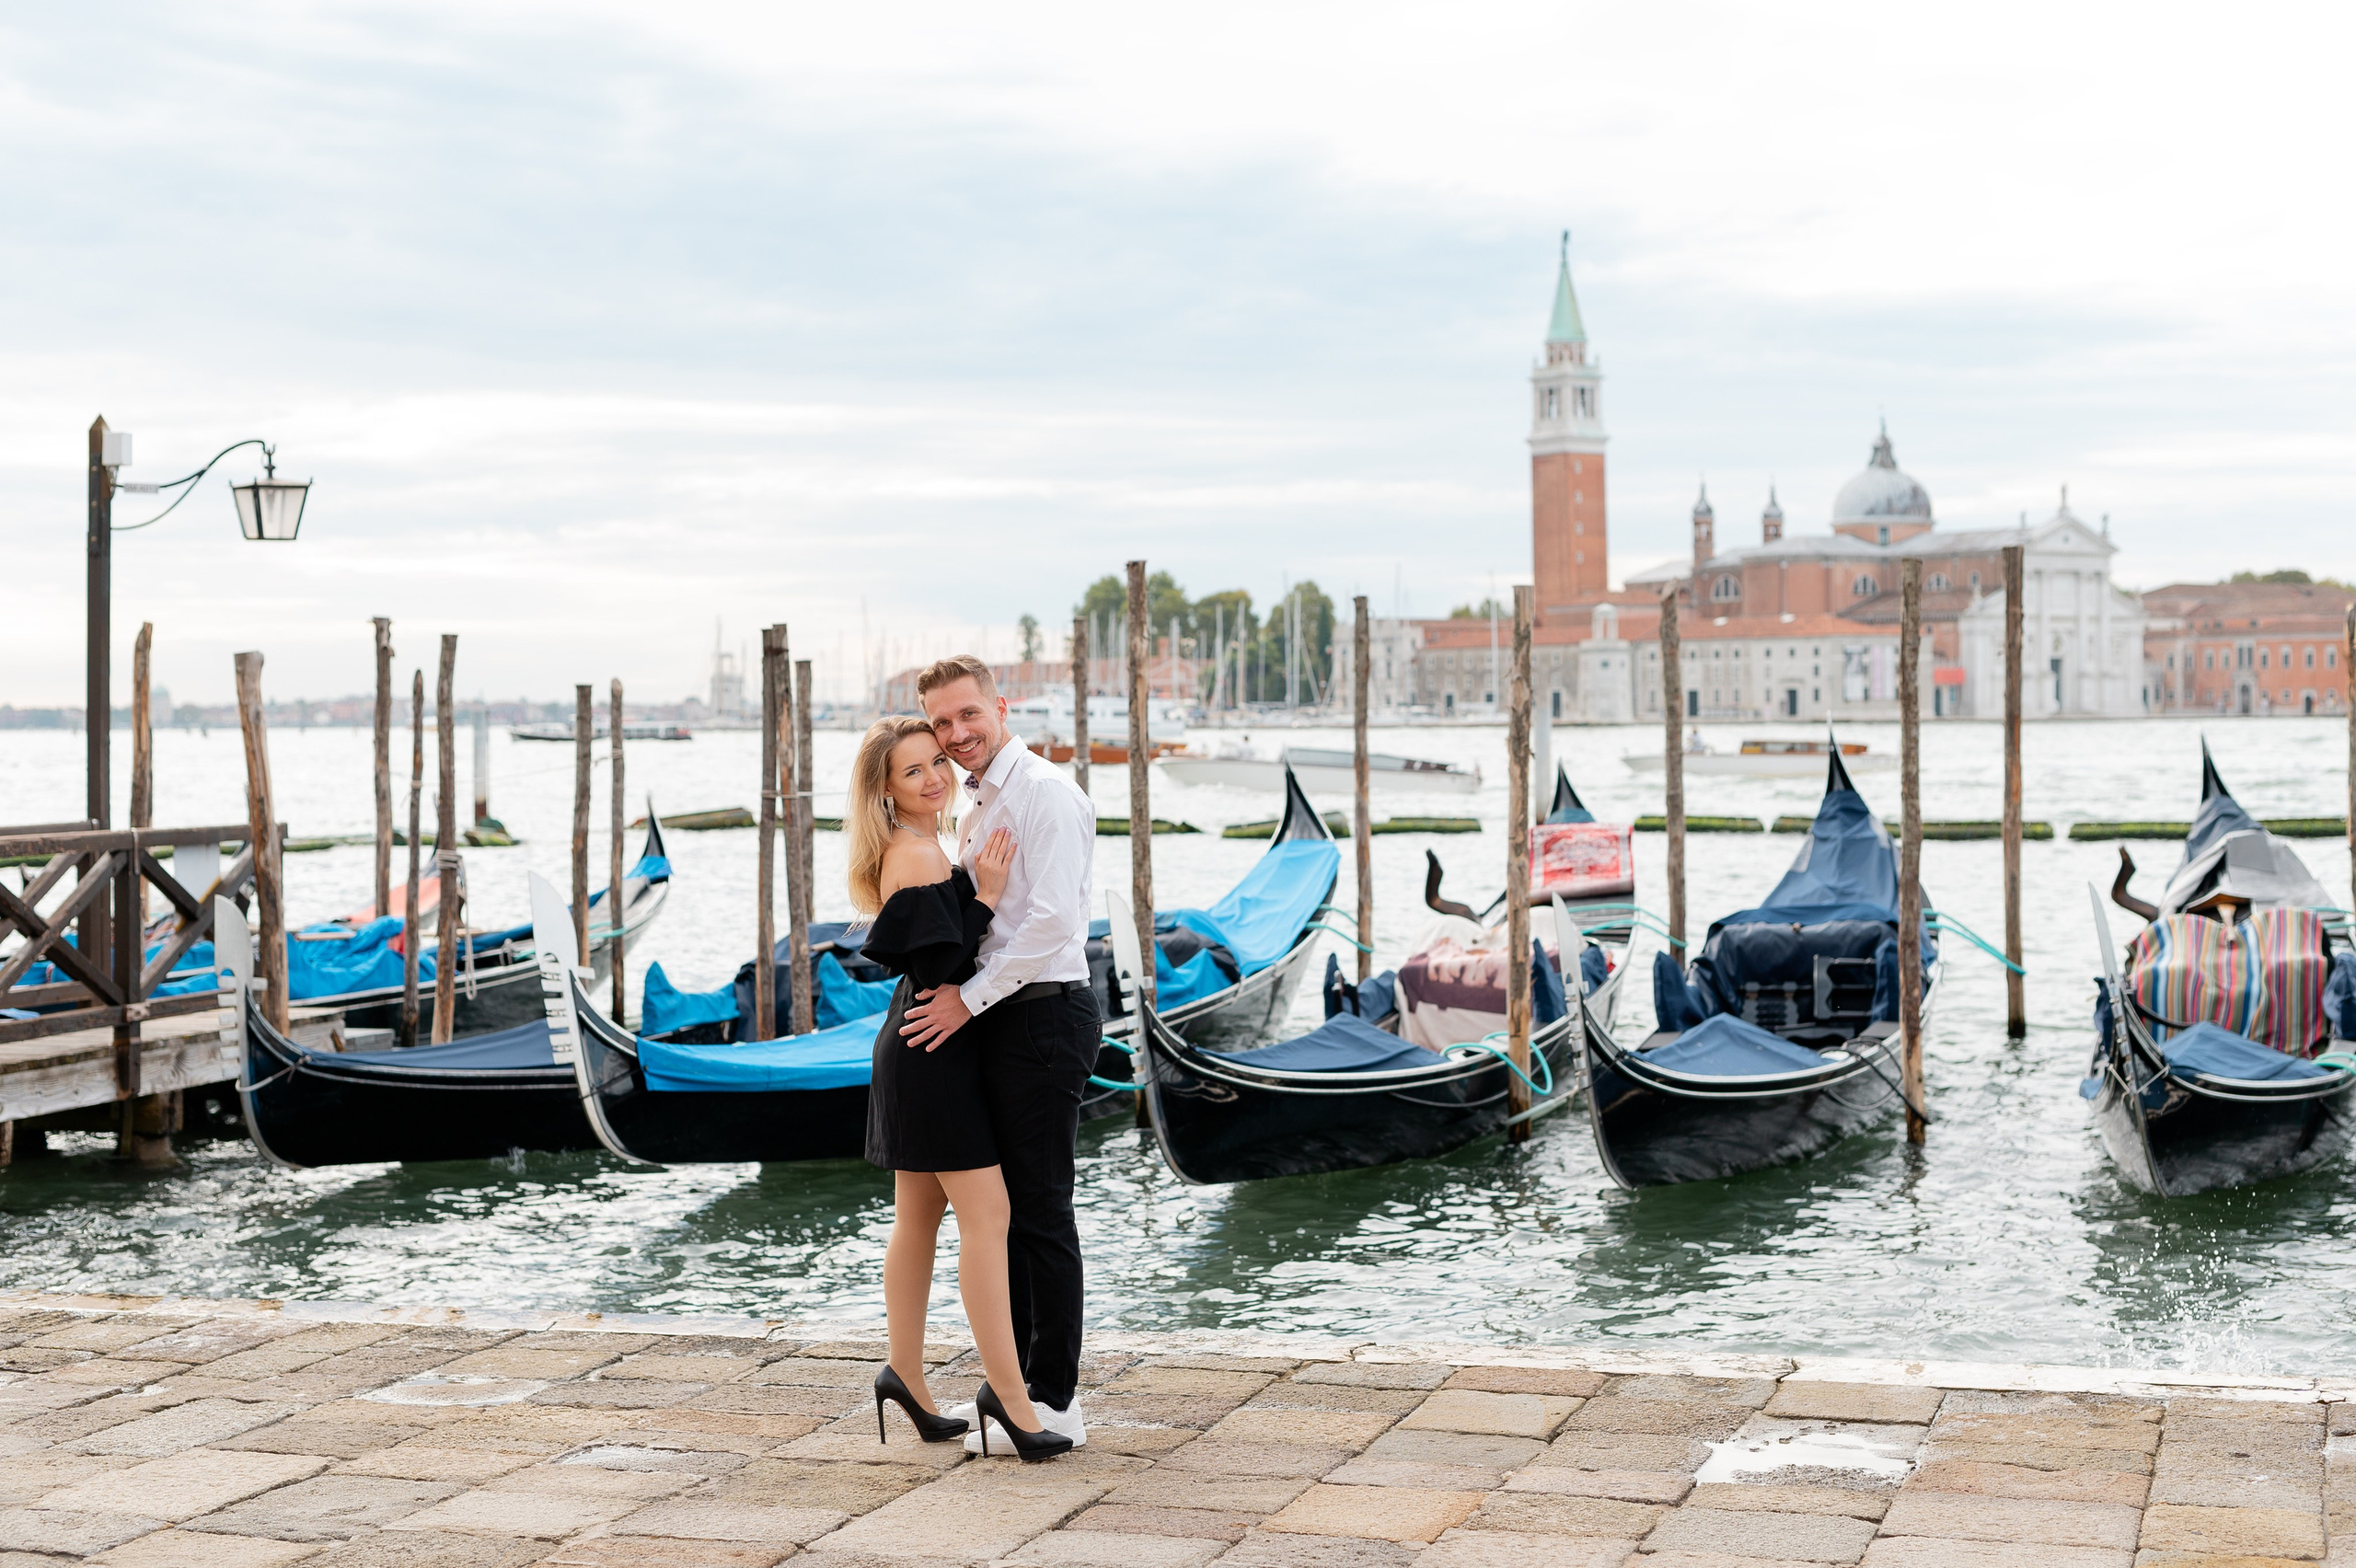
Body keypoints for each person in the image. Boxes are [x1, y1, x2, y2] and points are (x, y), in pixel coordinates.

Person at [849, 715, 1071, 1462]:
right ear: (885, 789)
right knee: (991, 1217)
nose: (934, 777)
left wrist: (975, 886)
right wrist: (989, 894)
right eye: (913, 771)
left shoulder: (921, 845)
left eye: (936, 761)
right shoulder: (914, 855)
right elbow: (945, 958)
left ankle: (905, 1374)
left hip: (919, 1039)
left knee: (918, 1217)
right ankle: (1011, 1400)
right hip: (933, 1046)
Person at [900, 655, 1098, 1454]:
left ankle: (1055, 1399)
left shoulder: (1046, 795)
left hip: (1044, 1021)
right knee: (1007, 1217)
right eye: (942, 724)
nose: (956, 736)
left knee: (1043, 1214)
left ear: (1001, 707)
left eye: (967, 716)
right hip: (999, 1024)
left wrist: (965, 999)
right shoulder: (977, 800)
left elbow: (1051, 926)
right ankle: (1013, 1391)